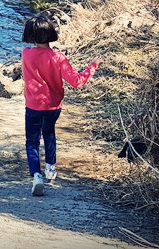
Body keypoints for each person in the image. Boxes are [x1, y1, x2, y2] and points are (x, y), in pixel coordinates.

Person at [21, 15, 101, 197]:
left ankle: (36, 176)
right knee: (49, 134)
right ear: (50, 34)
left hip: (33, 105)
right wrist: (93, 66)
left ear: (31, 36)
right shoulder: (59, 58)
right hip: (53, 107)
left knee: (32, 141)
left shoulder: (26, 54)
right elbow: (76, 82)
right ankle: (50, 169)